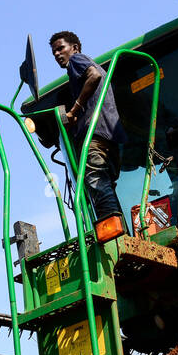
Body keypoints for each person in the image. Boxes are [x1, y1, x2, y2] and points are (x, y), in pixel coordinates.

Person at [50, 31, 127, 231]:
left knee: (96, 183)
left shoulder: (77, 60)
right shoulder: (83, 65)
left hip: (95, 136)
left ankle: (114, 235)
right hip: (110, 137)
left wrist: (74, 110)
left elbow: (94, 75)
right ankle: (121, 229)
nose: (57, 54)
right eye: (54, 52)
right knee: (105, 187)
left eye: (61, 48)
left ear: (74, 47)